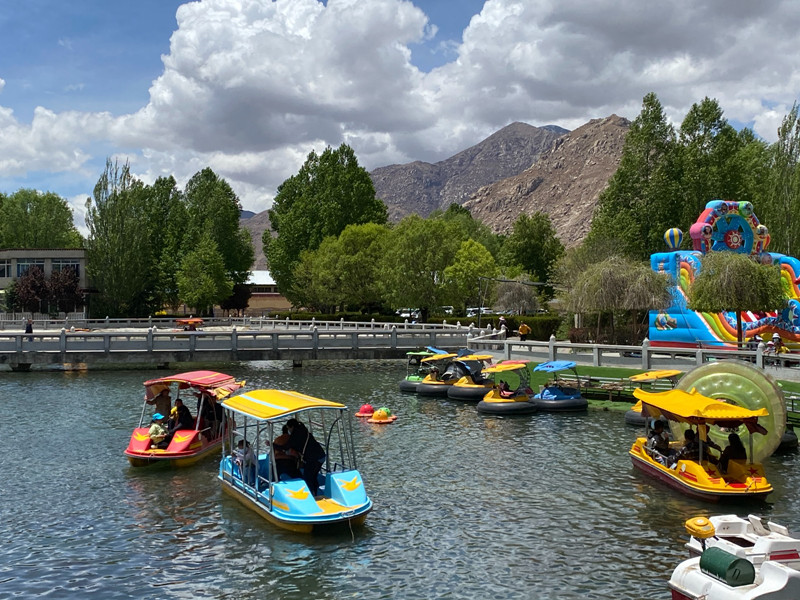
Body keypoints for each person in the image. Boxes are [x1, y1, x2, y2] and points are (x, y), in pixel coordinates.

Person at [284, 418, 326, 496]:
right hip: (321, 456)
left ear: (292, 427)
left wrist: (273, 445)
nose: (288, 430)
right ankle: (316, 492)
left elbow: (286, 446)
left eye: (288, 428)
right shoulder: (304, 430)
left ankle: (311, 495)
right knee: (313, 476)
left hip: (314, 458)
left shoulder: (295, 435)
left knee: (307, 476)